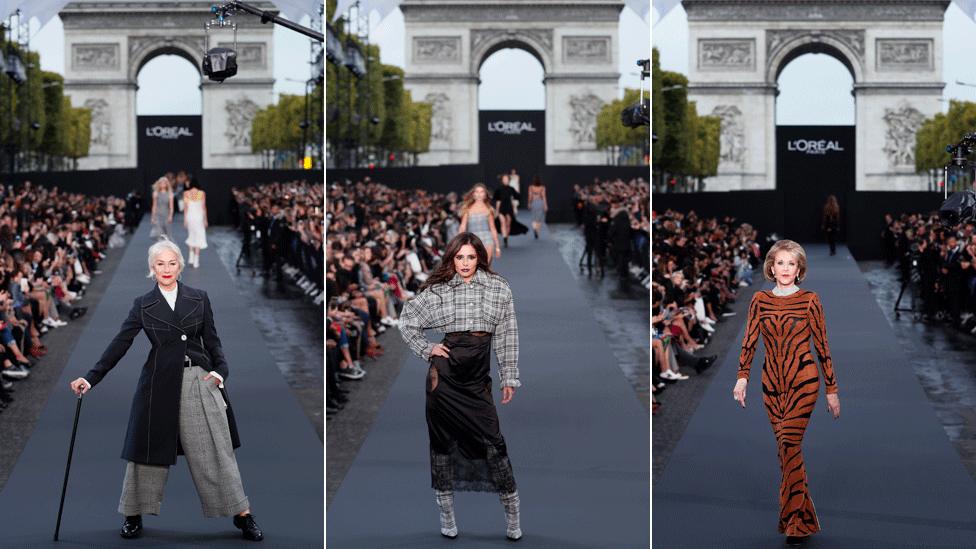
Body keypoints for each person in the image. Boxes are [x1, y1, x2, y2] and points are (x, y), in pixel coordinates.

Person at [68, 238, 264, 542]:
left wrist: (220, 371)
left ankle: (243, 514)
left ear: (180, 266)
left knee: (216, 449)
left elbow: (213, 341)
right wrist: (91, 378)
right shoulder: (143, 305)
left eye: (172, 263)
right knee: (146, 452)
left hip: (198, 381)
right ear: (151, 268)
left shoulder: (199, 298)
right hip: (158, 383)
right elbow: (120, 344)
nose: (167, 269)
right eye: (160, 263)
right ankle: (133, 514)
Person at [398, 232, 523, 542]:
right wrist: (427, 349)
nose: (465, 263)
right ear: (452, 259)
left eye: (470, 256)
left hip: (478, 381)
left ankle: (513, 517)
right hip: (444, 382)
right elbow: (407, 320)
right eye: (459, 257)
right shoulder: (438, 291)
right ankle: (447, 516)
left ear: (479, 256)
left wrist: (509, 376)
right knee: (442, 447)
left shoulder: (498, 288)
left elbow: (507, 335)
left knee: (495, 445)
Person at [733, 239, 840, 547]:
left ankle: (792, 521)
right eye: (780, 262)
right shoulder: (759, 300)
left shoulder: (810, 299)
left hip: (804, 383)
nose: (785, 269)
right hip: (772, 385)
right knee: (786, 451)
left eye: (791, 264)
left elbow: (822, 347)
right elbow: (749, 342)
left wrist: (831, 390)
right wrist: (742, 378)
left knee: (789, 442)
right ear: (771, 266)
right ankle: (805, 519)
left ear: (799, 269)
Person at [458, 183, 501, 263]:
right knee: (474, 265)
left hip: (487, 239)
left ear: (485, 194)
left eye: (482, 192)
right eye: (477, 192)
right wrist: (459, 242)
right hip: (472, 240)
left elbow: (493, 228)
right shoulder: (467, 208)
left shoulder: (489, 209)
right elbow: (463, 226)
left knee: (485, 266)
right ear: (473, 194)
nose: (479, 194)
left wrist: (497, 246)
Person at [183, 178, 208, 268]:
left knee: (191, 235)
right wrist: (205, 220)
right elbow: (203, 207)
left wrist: (185, 220)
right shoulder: (202, 193)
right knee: (199, 236)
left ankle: (191, 257)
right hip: (199, 217)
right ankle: (196, 261)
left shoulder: (186, 193)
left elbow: (185, 207)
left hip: (190, 217)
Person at [492, 175, 519, 249]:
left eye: (507, 179)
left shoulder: (511, 189)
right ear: (502, 180)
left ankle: (506, 237)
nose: (505, 180)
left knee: (508, 223)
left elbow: (513, 199)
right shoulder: (499, 189)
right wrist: (497, 211)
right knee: (503, 222)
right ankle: (504, 239)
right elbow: (498, 201)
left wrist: (514, 209)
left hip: (509, 208)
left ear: (509, 180)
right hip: (501, 208)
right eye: (504, 179)